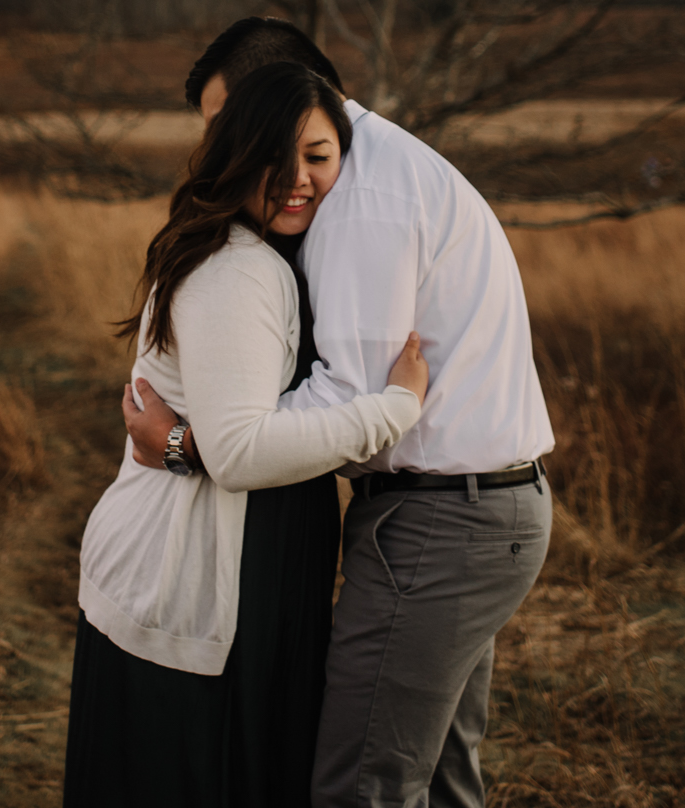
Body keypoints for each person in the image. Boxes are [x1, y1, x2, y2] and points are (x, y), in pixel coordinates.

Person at [124, 16, 555, 808]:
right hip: (470, 510)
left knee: (362, 786)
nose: (228, 149)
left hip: (442, 525)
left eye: (232, 123)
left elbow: (349, 402)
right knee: (440, 775)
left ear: (294, 94)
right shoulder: (369, 167)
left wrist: (193, 440)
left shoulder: (365, 204)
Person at [64, 60, 432, 807]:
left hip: (220, 561)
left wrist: (178, 444)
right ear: (232, 155)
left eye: (317, 157)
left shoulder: (262, 253)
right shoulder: (239, 270)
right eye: (270, 155)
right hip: (195, 574)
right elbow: (238, 452)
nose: (294, 178)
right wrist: (394, 409)